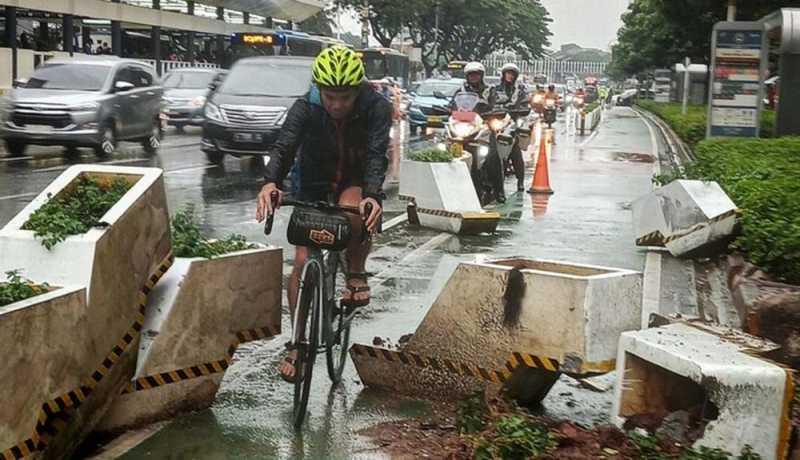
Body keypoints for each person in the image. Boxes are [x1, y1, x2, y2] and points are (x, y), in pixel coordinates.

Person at [255, 46, 391, 383]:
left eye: (345, 97)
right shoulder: (305, 107)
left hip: (355, 178)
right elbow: (284, 146)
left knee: (357, 211)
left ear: (357, 90)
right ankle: (297, 342)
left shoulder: (377, 107)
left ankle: (356, 272)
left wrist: (373, 195)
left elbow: (377, 153)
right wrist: (270, 181)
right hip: (312, 181)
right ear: (319, 90)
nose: (337, 104)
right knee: (302, 262)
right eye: (330, 96)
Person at [494, 63, 528, 192]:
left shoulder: (520, 90)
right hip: (498, 120)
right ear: (503, 74)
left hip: (513, 122)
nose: (509, 76)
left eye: (512, 74)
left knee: (515, 152)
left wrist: (522, 109)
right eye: (507, 73)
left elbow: (525, 103)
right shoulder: (496, 89)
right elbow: (488, 103)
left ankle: (520, 181)